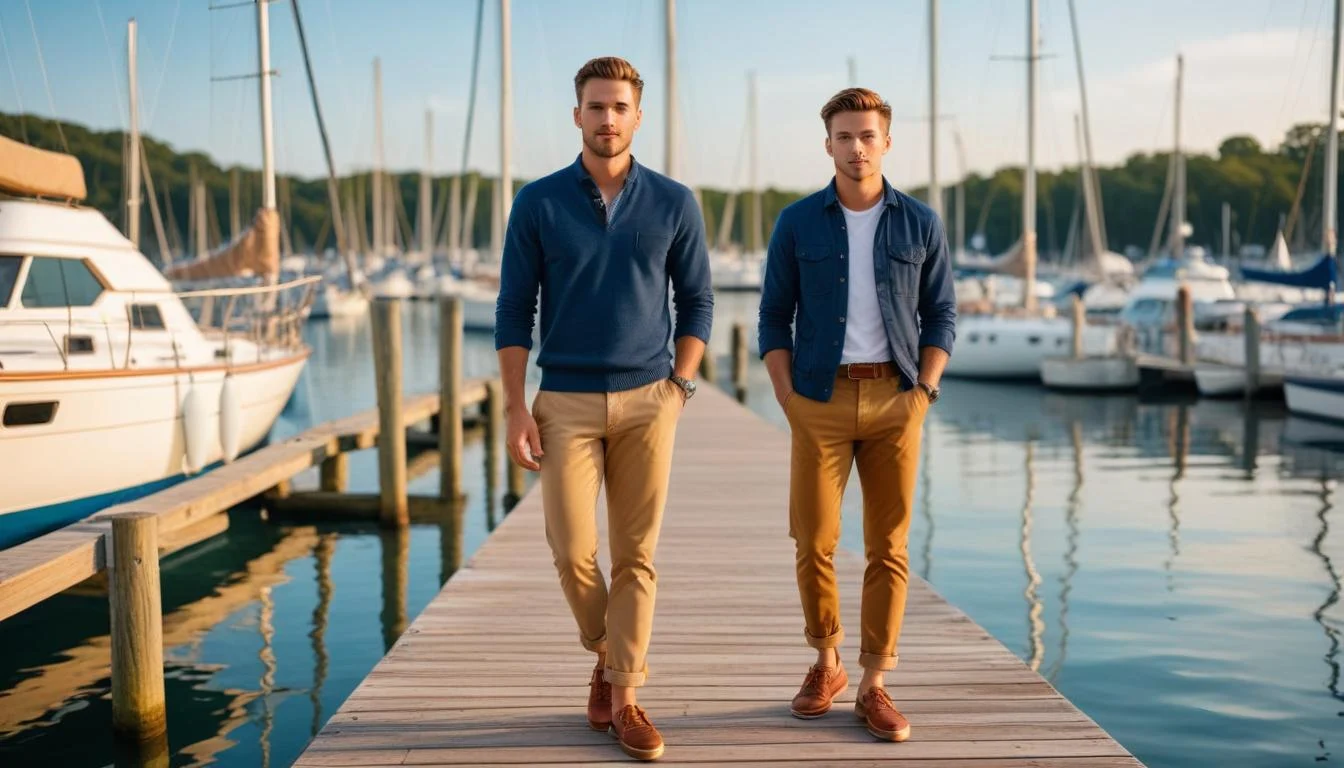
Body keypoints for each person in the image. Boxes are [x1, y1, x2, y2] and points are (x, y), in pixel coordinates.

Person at [494, 56, 714, 762]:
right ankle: (611, 652)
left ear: (637, 116)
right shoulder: (538, 203)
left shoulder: (676, 202)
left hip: (651, 398)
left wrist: (679, 386)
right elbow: (512, 311)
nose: (608, 118)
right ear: (577, 114)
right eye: (596, 106)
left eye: (620, 107)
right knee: (570, 549)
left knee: (637, 555)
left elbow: (698, 301)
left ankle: (624, 699)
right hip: (564, 400)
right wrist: (513, 408)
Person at [756, 87, 956, 743]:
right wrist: (787, 400)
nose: (857, 146)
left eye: (868, 135)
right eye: (844, 136)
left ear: (887, 141)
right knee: (812, 539)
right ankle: (826, 660)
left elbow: (941, 316)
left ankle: (874, 683)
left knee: (888, 547)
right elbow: (772, 319)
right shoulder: (798, 222)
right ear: (828, 145)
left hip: (898, 398)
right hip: (819, 398)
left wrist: (924, 392)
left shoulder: (920, 223)